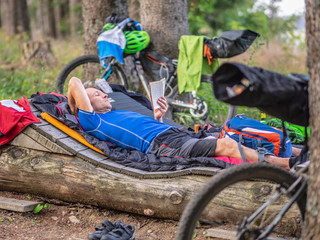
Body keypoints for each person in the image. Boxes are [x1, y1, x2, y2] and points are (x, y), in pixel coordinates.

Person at [68, 77, 297, 170]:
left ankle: (302, 151)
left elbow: (144, 129)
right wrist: (74, 105)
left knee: (233, 130)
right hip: (165, 146)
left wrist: (157, 116)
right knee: (227, 146)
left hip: (173, 133)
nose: (105, 95)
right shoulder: (92, 121)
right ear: (85, 104)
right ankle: (285, 164)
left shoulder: (115, 114)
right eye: (97, 95)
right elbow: (74, 82)